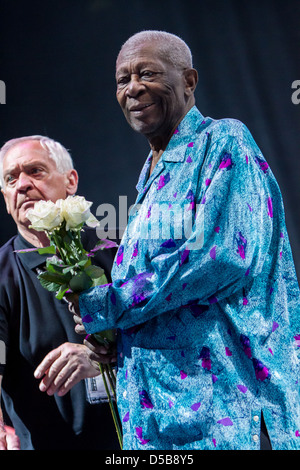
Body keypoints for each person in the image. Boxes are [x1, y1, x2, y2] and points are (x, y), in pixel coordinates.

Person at [77, 30, 300, 450]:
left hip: (226, 417)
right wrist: (121, 337)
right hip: (162, 421)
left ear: (189, 81)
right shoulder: (151, 174)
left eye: (147, 73)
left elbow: (221, 258)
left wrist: (113, 305)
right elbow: (168, 300)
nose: (133, 88)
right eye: (122, 80)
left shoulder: (222, 140)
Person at [0, 135, 118, 450]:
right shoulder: (2, 274)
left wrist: (105, 360)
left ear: (71, 181)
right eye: (10, 179)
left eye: (35, 171)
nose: (21, 185)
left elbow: (171, 343)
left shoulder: (119, 252)